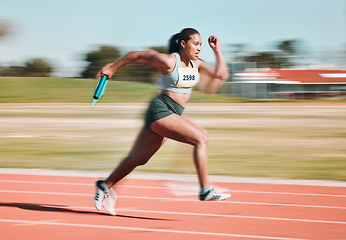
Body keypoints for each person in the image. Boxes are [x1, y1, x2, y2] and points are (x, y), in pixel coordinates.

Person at [94, 28, 231, 215]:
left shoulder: (196, 64)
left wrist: (217, 50)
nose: (199, 48)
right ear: (183, 44)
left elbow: (221, 75)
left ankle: (105, 185)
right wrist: (112, 67)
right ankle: (205, 189)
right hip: (161, 110)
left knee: (139, 158)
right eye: (195, 43)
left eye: (200, 44)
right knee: (201, 138)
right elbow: (138, 55)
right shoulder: (168, 61)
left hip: (173, 114)